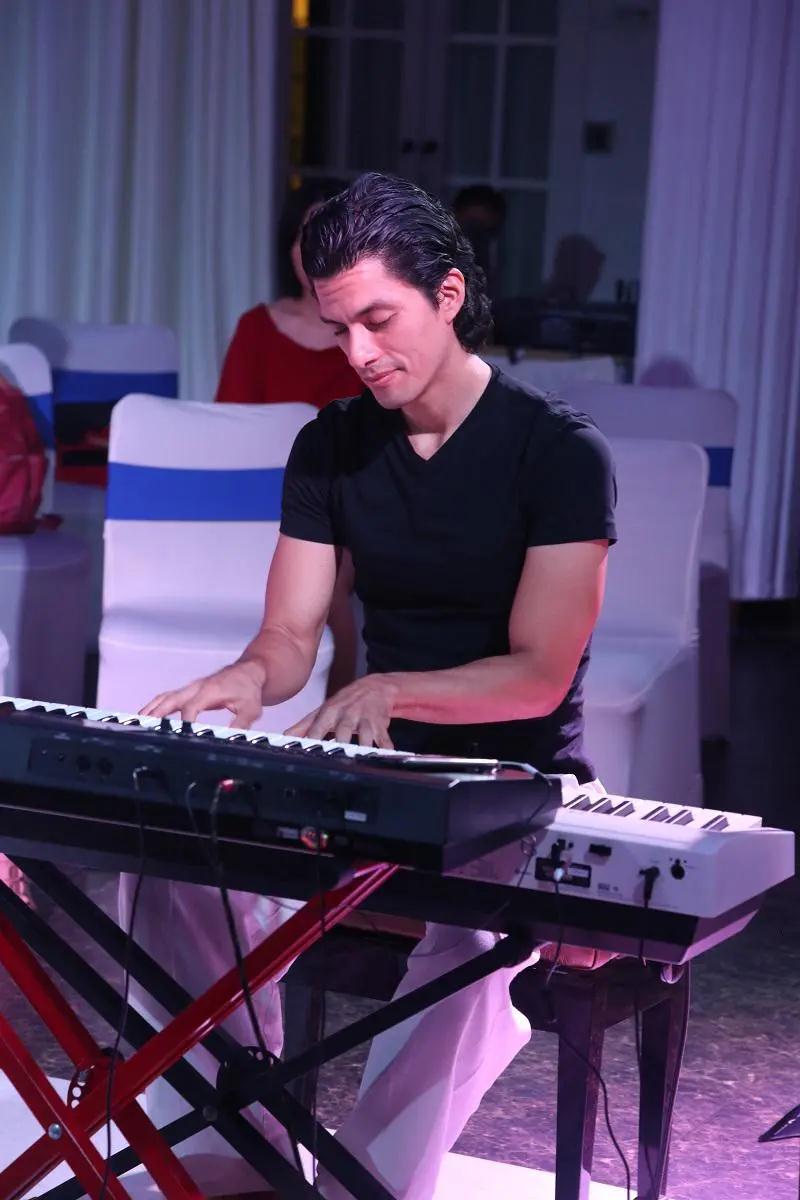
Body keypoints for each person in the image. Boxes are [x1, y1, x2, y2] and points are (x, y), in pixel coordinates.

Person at [139, 171, 617, 1200]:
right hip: (375, 772)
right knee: (182, 868)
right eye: (337, 328)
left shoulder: (557, 453)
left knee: (472, 940)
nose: (356, 353)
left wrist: (392, 692)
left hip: (515, 780)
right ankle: (242, 1159)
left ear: (447, 295)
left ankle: (364, 1185)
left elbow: (539, 676)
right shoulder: (331, 445)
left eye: (377, 320)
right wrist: (245, 677)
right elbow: (288, 635)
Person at [215, 178, 362, 408]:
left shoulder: (380, 334)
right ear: (290, 249)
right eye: (307, 238)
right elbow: (231, 423)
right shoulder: (256, 329)